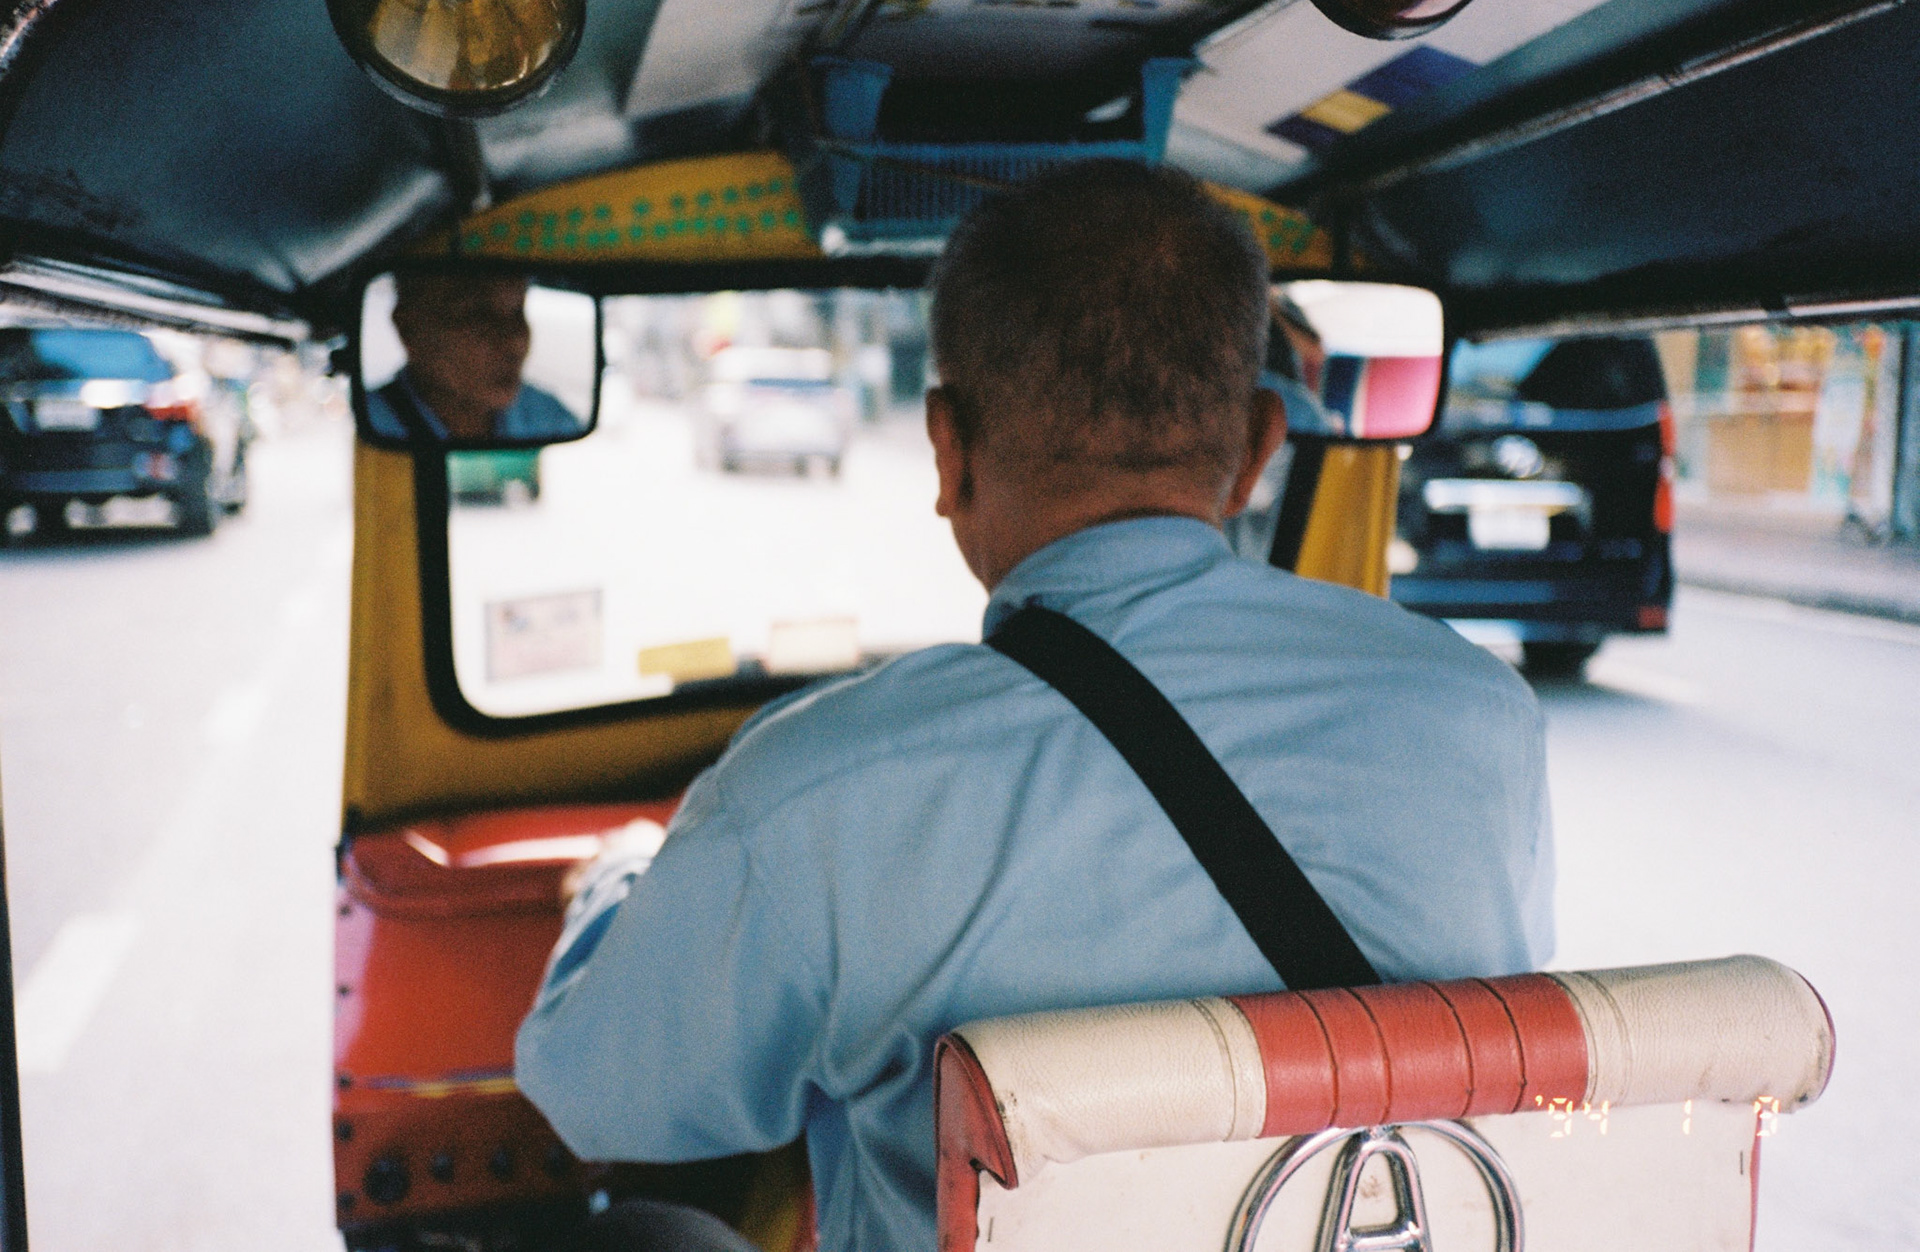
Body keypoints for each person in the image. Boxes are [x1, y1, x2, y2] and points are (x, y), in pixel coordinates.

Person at [515, 162, 1553, 1252]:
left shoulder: (816, 794)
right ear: (1255, 449)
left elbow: (597, 1097)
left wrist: (615, 884)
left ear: (946, 450)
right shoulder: (1482, 716)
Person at [365, 271, 582, 441]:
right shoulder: (367, 423)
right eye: (478, 315)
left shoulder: (549, 418)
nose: (514, 340)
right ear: (410, 328)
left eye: (518, 310)